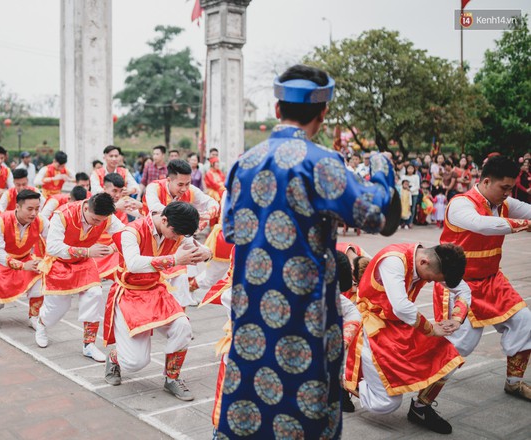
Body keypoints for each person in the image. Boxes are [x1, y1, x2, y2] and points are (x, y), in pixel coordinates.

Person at [218, 64, 400, 439]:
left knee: (250, 399)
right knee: (306, 402)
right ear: (323, 112)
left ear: (276, 108)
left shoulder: (243, 163)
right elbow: (380, 216)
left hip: (251, 310)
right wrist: (382, 168)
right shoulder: (322, 162)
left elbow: (231, 230)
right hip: (305, 315)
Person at [433, 155, 531, 401]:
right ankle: (421, 403)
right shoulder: (460, 204)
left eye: (511, 188)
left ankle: (514, 383)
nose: (509, 193)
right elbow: (482, 225)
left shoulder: (505, 203)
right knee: (461, 344)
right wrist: (523, 225)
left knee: (524, 322)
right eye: (505, 188)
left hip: (491, 280)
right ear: (486, 181)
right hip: (458, 284)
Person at [345, 243, 470, 434]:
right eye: (431, 279)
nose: (429, 282)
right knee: (386, 405)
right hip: (373, 328)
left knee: (448, 357)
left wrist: (457, 319)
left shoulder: (430, 262)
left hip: (400, 326)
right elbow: (401, 307)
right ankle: (340, 381)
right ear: (424, 262)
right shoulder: (394, 261)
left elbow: (464, 289)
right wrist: (430, 330)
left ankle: (420, 408)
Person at [103, 202, 211, 401]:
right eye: (176, 232)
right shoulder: (131, 232)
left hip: (156, 290)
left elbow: (196, 246)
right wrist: (174, 260)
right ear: (164, 220)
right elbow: (134, 264)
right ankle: (114, 358)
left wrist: (207, 253)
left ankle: (172, 378)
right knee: (136, 363)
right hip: (130, 294)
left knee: (183, 327)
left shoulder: (176, 230)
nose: (178, 237)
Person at [34, 193, 124, 362]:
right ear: (85, 208)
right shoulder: (63, 215)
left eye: (101, 221)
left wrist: (112, 248)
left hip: (84, 263)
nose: (99, 223)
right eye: (95, 219)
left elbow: (124, 234)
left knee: (95, 294)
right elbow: (53, 247)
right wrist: (88, 251)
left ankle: (88, 344)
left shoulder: (106, 218)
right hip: (59, 263)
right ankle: (42, 323)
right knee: (57, 308)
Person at [143, 159, 219, 307]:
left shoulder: (190, 191)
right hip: (151, 241)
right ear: (169, 180)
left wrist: (206, 217)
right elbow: (156, 209)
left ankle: (178, 317)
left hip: (177, 240)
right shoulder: (154, 188)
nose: (184, 188)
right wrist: (190, 216)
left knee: (181, 280)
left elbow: (213, 203)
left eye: (188, 183)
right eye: (180, 184)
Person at [0, 189, 48, 328]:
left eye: (37, 209)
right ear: (17, 207)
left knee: (39, 281)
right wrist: (22, 266)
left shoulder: (40, 221)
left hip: (27, 259)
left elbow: (52, 239)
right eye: (30, 209)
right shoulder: (0, 221)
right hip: (2, 264)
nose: (34, 213)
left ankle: (34, 316)